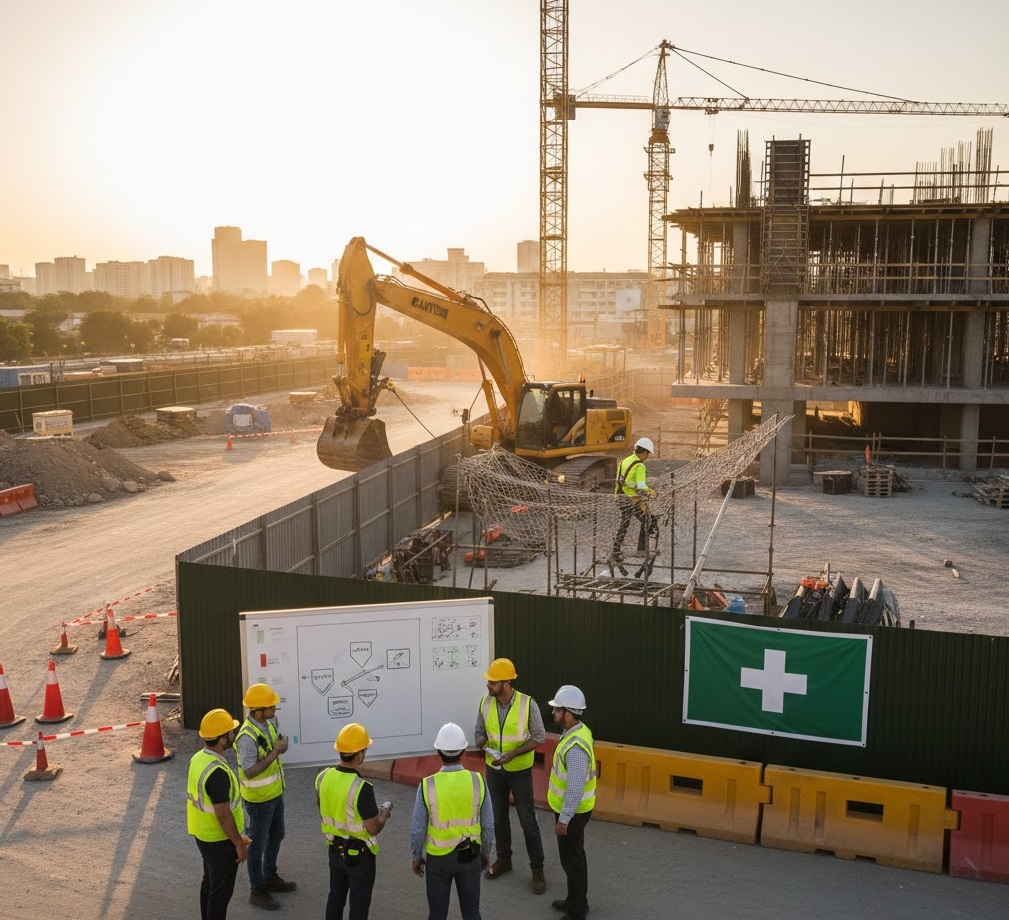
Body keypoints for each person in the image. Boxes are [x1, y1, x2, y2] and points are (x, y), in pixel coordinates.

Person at [474, 657, 547, 894]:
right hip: (494, 769)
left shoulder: (528, 704)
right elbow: (479, 732)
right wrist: (482, 743)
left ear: (506, 684)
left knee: (528, 822)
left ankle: (537, 870)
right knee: (499, 818)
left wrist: (513, 754)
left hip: (518, 771)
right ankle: (504, 860)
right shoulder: (486, 703)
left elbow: (539, 737)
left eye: (493, 683)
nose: (489, 686)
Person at [411, 722, 495, 920]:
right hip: (470, 855)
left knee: (437, 914)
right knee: (472, 913)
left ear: (438, 751)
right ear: (464, 750)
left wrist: (416, 857)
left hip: (438, 860)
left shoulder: (427, 785)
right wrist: (486, 853)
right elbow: (488, 824)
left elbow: (417, 829)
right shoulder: (478, 781)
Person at [316, 722, 393, 920]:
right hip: (360, 857)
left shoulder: (323, 777)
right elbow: (372, 827)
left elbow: (322, 805)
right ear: (360, 753)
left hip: (335, 850)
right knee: (359, 904)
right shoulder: (362, 787)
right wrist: (383, 814)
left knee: (335, 898)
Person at [236, 683, 296, 910]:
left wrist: (280, 747)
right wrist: (276, 752)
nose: (275, 709)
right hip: (258, 800)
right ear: (258, 710)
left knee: (277, 835)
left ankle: (269, 875)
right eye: (271, 706)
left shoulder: (269, 723)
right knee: (257, 845)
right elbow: (249, 772)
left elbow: (275, 749)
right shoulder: (246, 737)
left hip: (275, 793)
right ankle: (257, 891)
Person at [187, 708, 250, 920]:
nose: (234, 733)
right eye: (231, 731)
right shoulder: (217, 773)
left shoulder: (198, 758)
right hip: (220, 842)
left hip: (203, 836)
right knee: (220, 894)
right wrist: (238, 843)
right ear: (223, 740)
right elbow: (223, 815)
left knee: (210, 883)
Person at [547, 686, 596, 920]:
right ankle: (575, 901)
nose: (553, 714)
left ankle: (577, 912)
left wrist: (564, 820)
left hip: (572, 814)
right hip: (573, 811)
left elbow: (575, 788)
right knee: (574, 859)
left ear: (568, 713)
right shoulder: (578, 731)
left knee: (572, 861)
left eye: (557, 710)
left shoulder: (575, 746)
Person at [610, 436, 658, 562]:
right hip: (630, 501)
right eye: (647, 455)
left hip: (619, 498)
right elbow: (641, 486)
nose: (647, 458)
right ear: (643, 453)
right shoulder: (640, 466)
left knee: (624, 524)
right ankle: (641, 550)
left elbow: (624, 481)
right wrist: (652, 493)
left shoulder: (624, 461)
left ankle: (615, 551)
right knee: (647, 520)